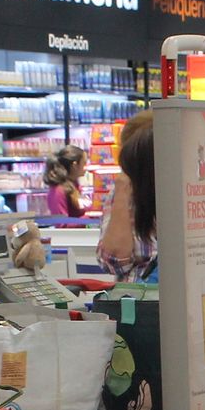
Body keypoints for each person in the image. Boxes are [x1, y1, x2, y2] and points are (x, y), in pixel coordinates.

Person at [96, 110, 157, 282]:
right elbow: (113, 261)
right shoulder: (125, 191)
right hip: (138, 302)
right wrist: (123, 191)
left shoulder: (191, 190)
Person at [43, 144, 88, 217]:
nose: (86, 167)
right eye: (84, 163)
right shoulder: (58, 191)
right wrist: (89, 218)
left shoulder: (75, 186)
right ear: (75, 165)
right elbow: (62, 225)